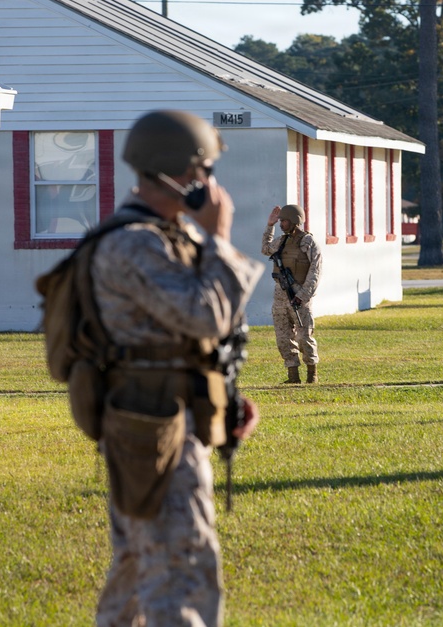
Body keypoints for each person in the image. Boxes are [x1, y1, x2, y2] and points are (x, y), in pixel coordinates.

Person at [91, 110, 263, 627]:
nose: (210, 184)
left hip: (162, 415)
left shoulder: (162, 236)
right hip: (154, 428)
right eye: (204, 170)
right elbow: (204, 312)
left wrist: (223, 395)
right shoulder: (133, 243)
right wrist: (221, 237)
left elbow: (197, 335)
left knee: (139, 573)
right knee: (184, 573)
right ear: (178, 174)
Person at [261, 204, 322, 384]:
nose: (282, 224)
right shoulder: (282, 241)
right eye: (280, 221)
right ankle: (293, 376)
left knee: (304, 337)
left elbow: (315, 272)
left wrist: (302, 295)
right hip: (280, 296)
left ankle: (312, 375)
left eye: (284, 221)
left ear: (295, 221)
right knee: (283, 337)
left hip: (299, 296)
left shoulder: (309, 243)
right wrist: (269, 225)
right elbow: (265, 249)